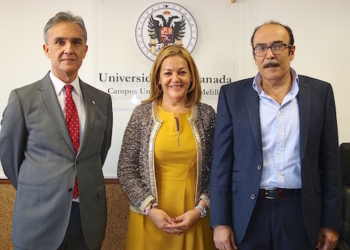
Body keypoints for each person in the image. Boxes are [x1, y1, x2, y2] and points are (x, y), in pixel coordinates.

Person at [210, 21, 342, 250]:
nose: (269, 54)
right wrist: (220, 222)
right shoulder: (232, 96)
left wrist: (331, 223)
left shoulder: (321, 93)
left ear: (292, 51)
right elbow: (221, 163)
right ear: (254, 55)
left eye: (277, 46)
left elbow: (330, 164)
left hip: (301, 211)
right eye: (260, 48)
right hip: (249, 213)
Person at [0, 11, 113, 250]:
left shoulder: (102, 101)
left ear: (85, 50)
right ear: (46, 50)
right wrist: (40, 189)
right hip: (38, 220)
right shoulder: (23, 98)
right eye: (60, 41)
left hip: (87, 221)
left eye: (76, 42)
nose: (69, 48)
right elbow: (10, 159)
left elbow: (96, 156)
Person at [118, 44, 216, 249]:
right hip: (148, 218)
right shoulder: (142, 114)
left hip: (194, 218)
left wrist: (200, 210)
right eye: (168, 73)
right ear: (158, 79)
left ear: (192, 77)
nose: (175, 79)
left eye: (182, 72)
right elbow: (126, 169)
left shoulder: (207, 115)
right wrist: (149, 208)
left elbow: (218, 171)